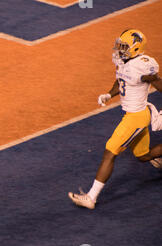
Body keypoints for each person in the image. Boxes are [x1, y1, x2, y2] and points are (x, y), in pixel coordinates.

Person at [68, 29, 162, 209]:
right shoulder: (123, 63)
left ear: (136, 49)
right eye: (120, 45)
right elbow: (120, 81)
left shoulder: (142, 65)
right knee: (143, 156)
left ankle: (91, 197)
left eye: (124, 46)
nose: (120, 49)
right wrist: (108, 95)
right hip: (134, 115)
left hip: (136, 117)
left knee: (110, 152)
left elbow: (159, 83)